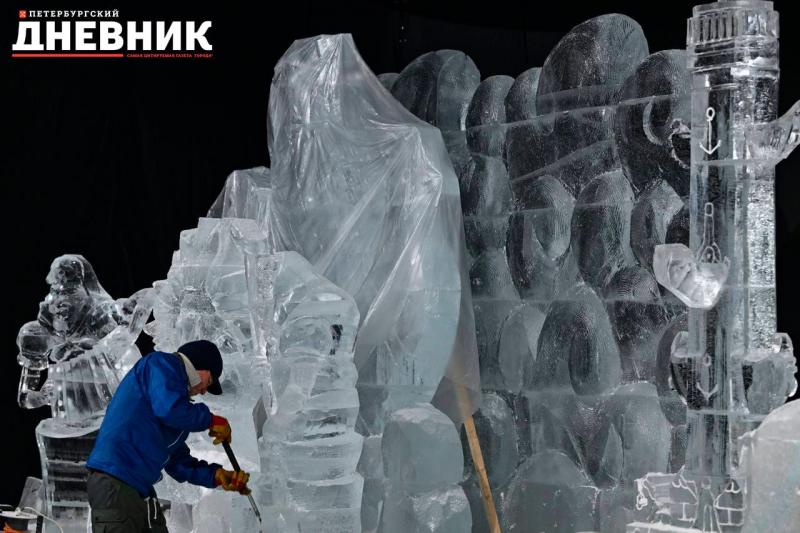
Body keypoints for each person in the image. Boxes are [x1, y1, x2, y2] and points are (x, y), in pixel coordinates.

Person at [86, 340, 251, 532]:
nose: (204, 391)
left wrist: (217, 476)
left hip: (138, 488)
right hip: (115, 481)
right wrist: (210, 420)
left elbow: (178, 463)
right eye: (209, 382)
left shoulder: (173, 406)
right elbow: (170, 409)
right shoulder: (161, 364)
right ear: (203, 367)